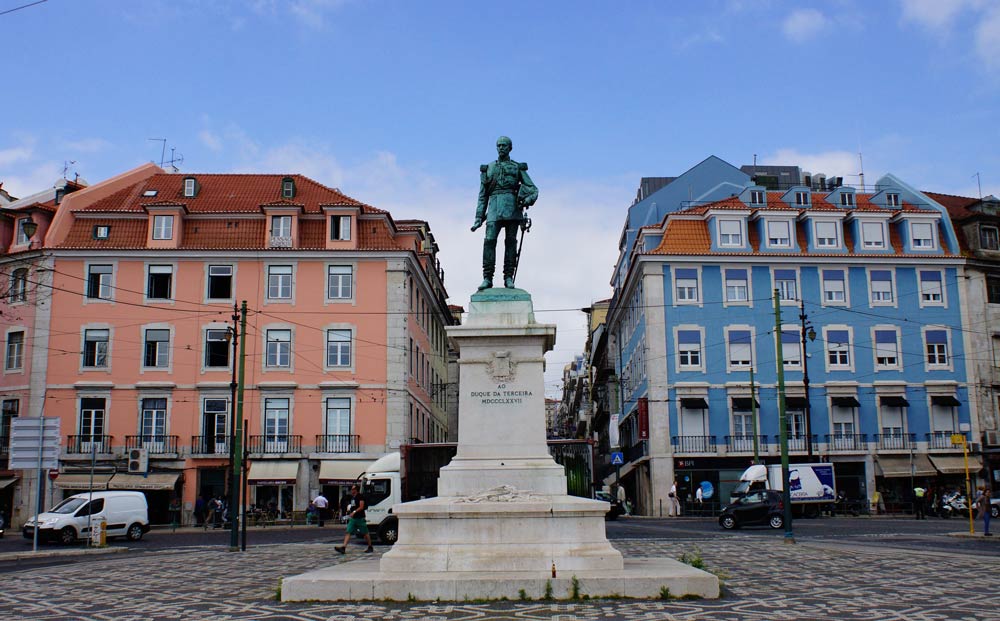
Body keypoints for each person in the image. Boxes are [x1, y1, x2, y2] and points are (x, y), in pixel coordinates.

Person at [471, 136, 538, 290]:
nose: (501, 148)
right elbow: (482, 195)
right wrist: (478, 217)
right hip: (493, 208)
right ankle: (487, 277)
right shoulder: (488, 168)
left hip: (512, 208)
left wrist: (528, 200)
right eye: (499, 145)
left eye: (504, 145)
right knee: (489, 241)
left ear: (510, 148)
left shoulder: (517, 167)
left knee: (510, 243)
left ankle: (508, 276)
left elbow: (533, 189)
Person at [335, 485, 374, 554]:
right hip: (353, 518)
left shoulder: (360, 497)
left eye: (353, 489)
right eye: (351, 489)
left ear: (356, 490)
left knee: (365, 533)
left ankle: (370, 546)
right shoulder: (353, 497)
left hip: (360, 518)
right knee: (348, 531)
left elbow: (361, 507)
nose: (351, 490)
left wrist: (354, 512)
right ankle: (343, 547)